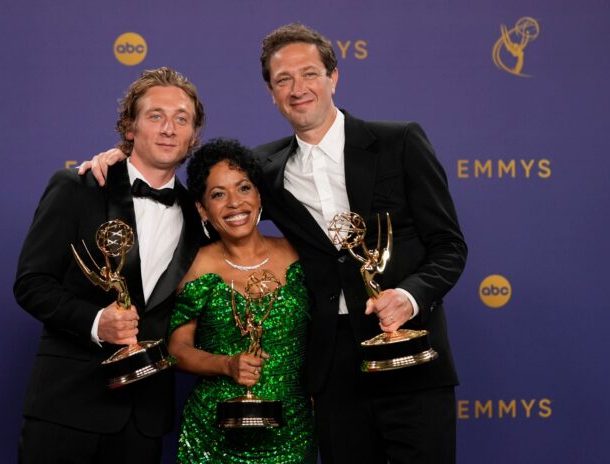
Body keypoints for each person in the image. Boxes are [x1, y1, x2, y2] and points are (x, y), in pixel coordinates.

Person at [81, 23, 467, 464]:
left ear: (333, 77)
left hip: (409, 351)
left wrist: (409, 297)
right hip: (330, 366)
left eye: (309, 74)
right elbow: (215, 196)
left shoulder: (399, 142)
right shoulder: (264, 168)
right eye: (283, 80)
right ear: (271, 92)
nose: (298, 88)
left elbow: (449, 246)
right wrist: (121, 161)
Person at [14, 67, 205, 463]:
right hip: (66, 407)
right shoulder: (77, 186)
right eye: (155, 116)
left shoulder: (200, 218)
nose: (169, 128)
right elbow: (32, 283)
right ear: (129, 127)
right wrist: (95, 322)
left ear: (193, 136)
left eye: (181, 119)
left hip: (144, 420)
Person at [167, 138, 316, 463]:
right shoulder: (195, 267)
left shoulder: (298, 255)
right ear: (202, 209)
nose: (234, 203)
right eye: (218, 194)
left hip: (293, 429)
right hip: (213, 435)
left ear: (259, 195)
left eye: (243, 188)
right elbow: (176, 351)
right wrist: (225, 364)